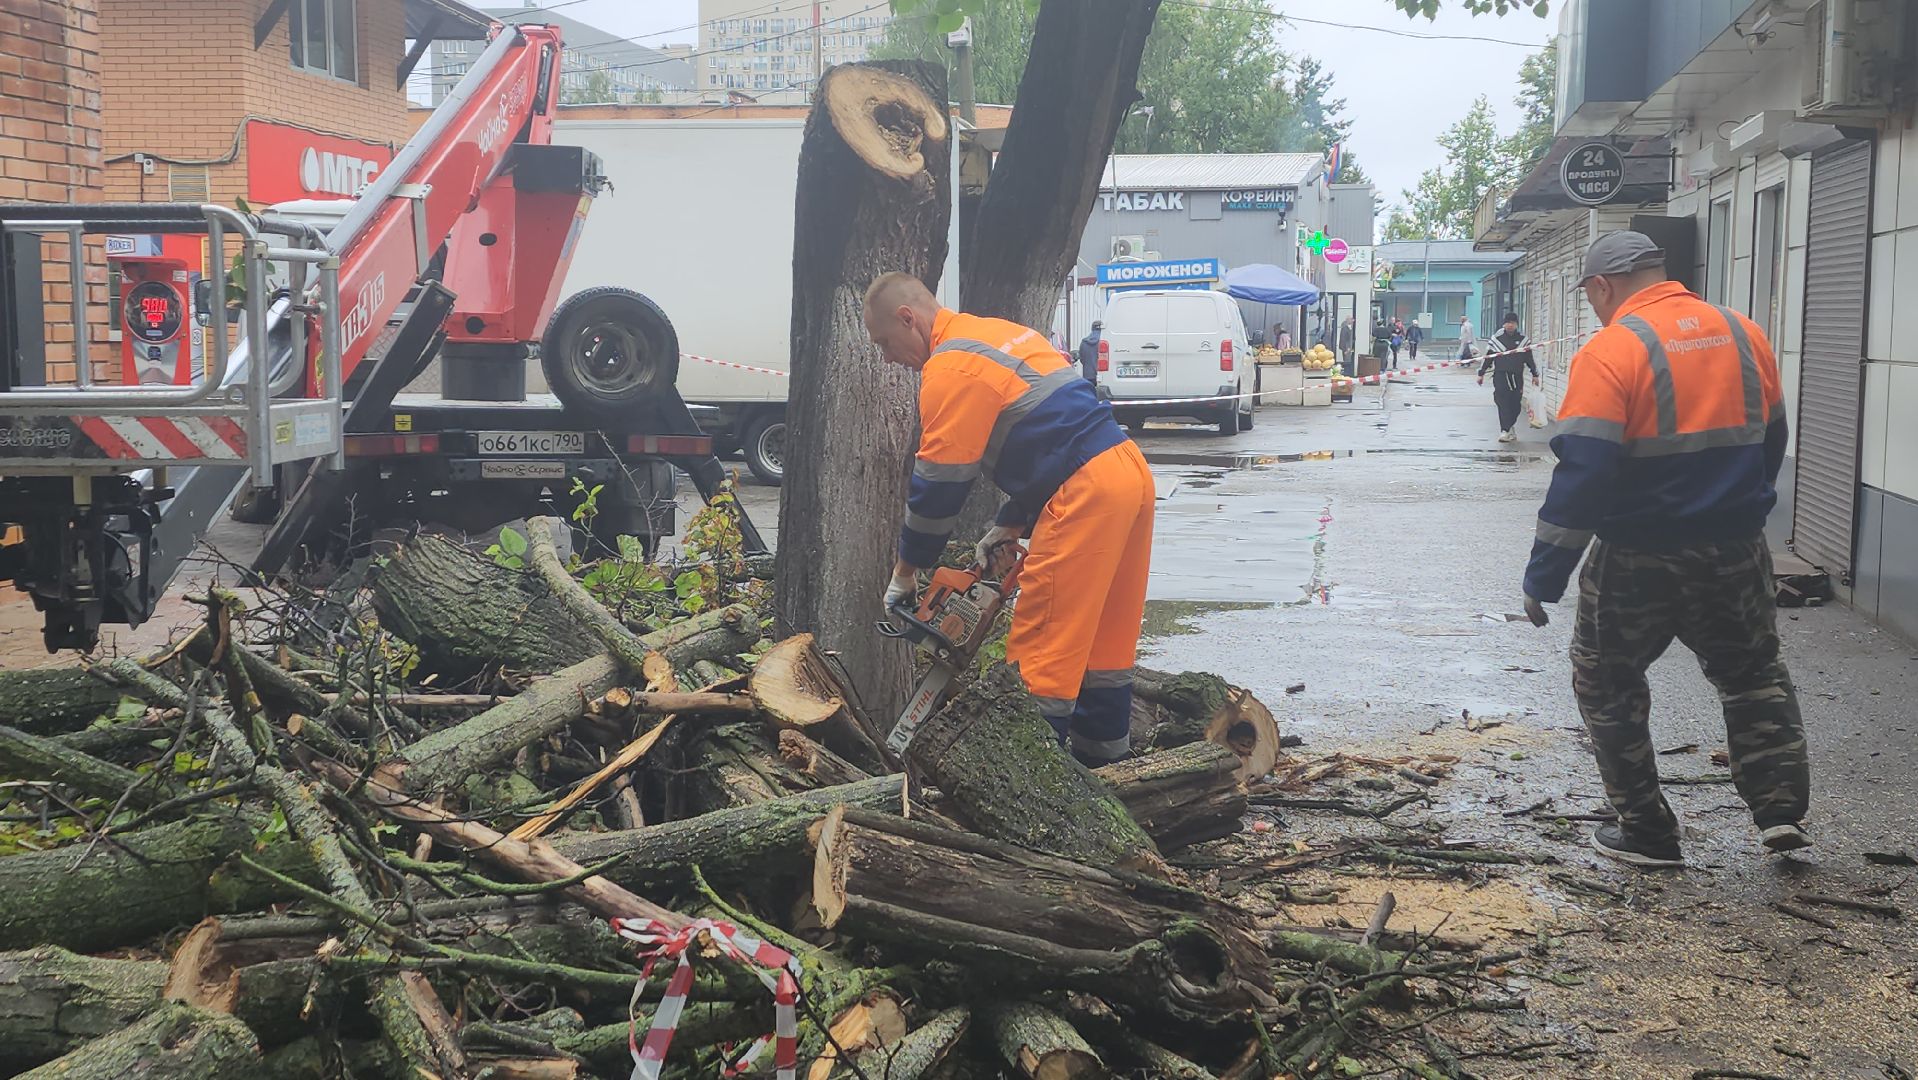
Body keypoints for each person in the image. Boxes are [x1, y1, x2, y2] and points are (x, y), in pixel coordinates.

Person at [1521, 231, 1810, 869]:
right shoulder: (1743, 333)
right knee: (1752, 673)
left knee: (1606, 679)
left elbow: (1584, 474)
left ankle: (1647, 831)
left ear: (1602, 287)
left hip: (1637, 556)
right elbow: (1773, 437)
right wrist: (1744, 509)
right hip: (1733, 548)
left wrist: (1545, 575)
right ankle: (1781, 811)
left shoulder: (1612, 349)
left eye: (1593, 297)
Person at [864, 273, 1154, 767]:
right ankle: (1108, 778)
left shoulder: (951, 366)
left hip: (1085, 489)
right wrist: (1011, 520)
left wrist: (906, 573)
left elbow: (940, 483)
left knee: (1040, 656)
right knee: (1102, 652)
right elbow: (1055, 424)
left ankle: (1030, 790)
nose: (888, 357)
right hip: (1127, 473)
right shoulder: (997, 333)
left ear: (907, 320)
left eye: (885, 343)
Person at [1478, 313, 1539, 442]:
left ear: (1516, 324)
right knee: (1502, 402)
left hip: (1517, 377)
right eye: (1508, 322)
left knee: (1516, 405)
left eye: (1513, 322)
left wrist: (1535, 374)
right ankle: (1504, 430)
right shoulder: (1497, 340)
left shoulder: (1523, 340)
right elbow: (1488, 358)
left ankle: (1509, 426)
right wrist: (1481, 373)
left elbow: (1529, 359)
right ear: (1504, 324)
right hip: (1501, 375)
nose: (1510, 325)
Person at [1077, 320, 1104, 390]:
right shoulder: (1104, 342)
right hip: (1102, 376)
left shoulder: (1084, 342)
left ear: (1092, 328)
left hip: (1088, 375)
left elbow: (1082, 359)